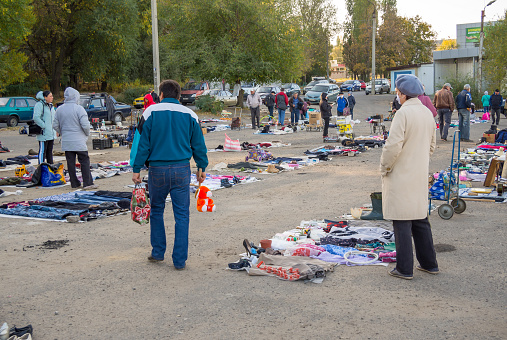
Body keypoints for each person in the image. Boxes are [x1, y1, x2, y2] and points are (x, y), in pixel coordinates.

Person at [132, 79, 208, 269]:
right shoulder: (190, 114)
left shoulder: (150, 112)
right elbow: (199, 145)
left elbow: (143, 144)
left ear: (162, 95)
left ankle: (158, 252)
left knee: (156, 210)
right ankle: (180, 260)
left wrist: (136, 169)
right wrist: (201, 167)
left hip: (157, 170)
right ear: (179, 95)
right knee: (181, 215)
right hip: (182, 169)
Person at [380, 74, 438, 280]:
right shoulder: (427, 113)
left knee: (402, 220)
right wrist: (419, 160)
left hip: (401, 173)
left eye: (397, 93)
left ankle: (404, 268)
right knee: (420, 218)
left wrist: (384, 167)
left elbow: (392, 146)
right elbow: (432, 145)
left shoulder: (403, 114)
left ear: (403, 94)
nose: (397, 96)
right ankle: (429, 264)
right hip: (419, 173)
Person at [53, 87, 97, 189]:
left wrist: (62, 132)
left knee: (70, 162)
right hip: (79, 140)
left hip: (67, 141)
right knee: (84, 161)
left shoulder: (59, 109)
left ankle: (74, 182)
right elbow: (85, 125)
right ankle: (88, 182)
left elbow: (55, 125)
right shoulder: (79, 109)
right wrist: (86, 134)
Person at [33, 90, 56, 164]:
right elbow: (36, 117)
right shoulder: (40, 105)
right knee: (43, 151)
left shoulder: (51, 106)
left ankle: (50, 167)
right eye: (50, 96)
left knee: (50, 151)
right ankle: (41, 167)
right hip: (43, 133)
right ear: (45, 97)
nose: (52, 97)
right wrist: (44, 126)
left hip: (51, 133)